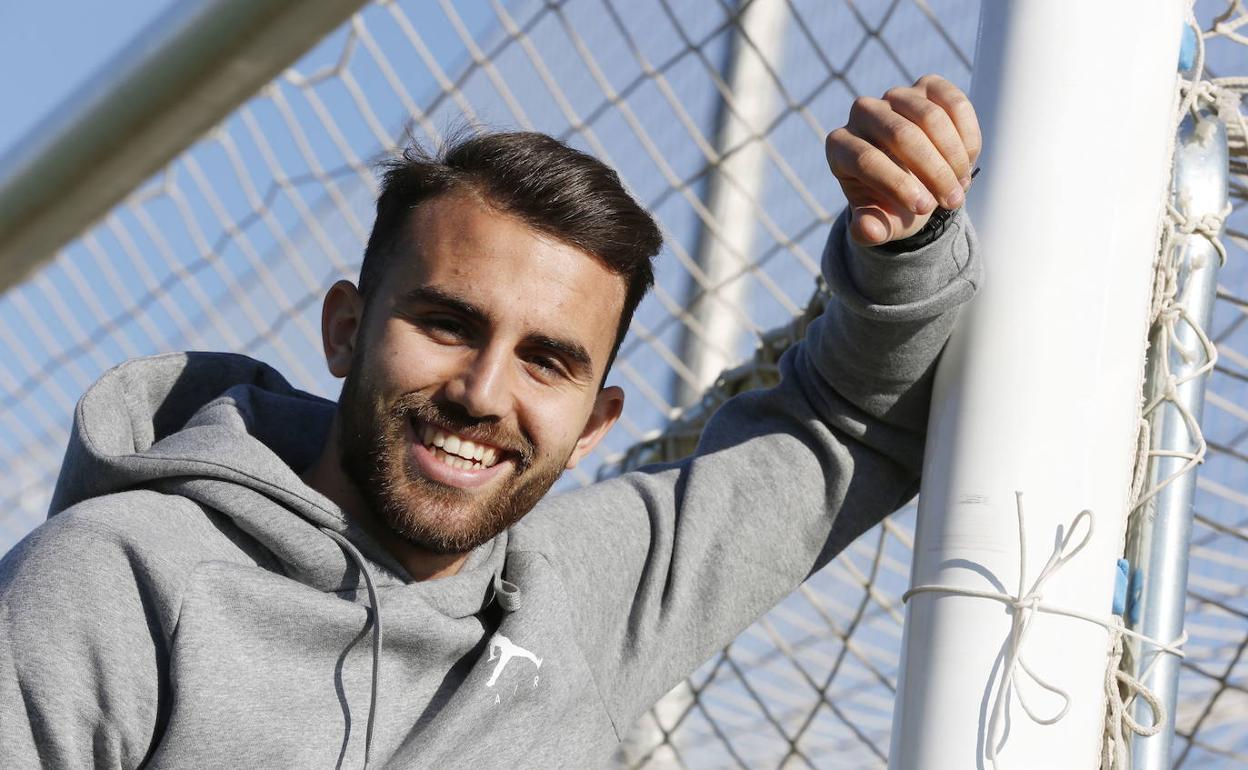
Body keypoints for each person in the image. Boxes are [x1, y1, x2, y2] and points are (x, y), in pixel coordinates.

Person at [0, 74, 981, 768]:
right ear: (347, 328)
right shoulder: (114, 577)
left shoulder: (591, 595)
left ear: (594, 423)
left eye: (545, 360)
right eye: (447, 324)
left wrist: (904, 243)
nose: (482, 391)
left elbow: (847, 420)